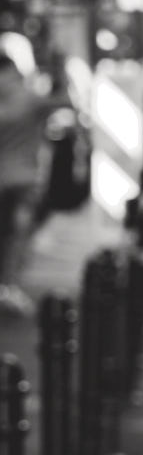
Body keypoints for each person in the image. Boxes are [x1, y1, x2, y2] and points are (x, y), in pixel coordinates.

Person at [0, 53, 64, 315]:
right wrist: (60, 73)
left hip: (7, 179)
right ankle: (8, 287)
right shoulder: (27, 96)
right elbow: (63, 101)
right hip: (22, 179)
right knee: (15, 236)